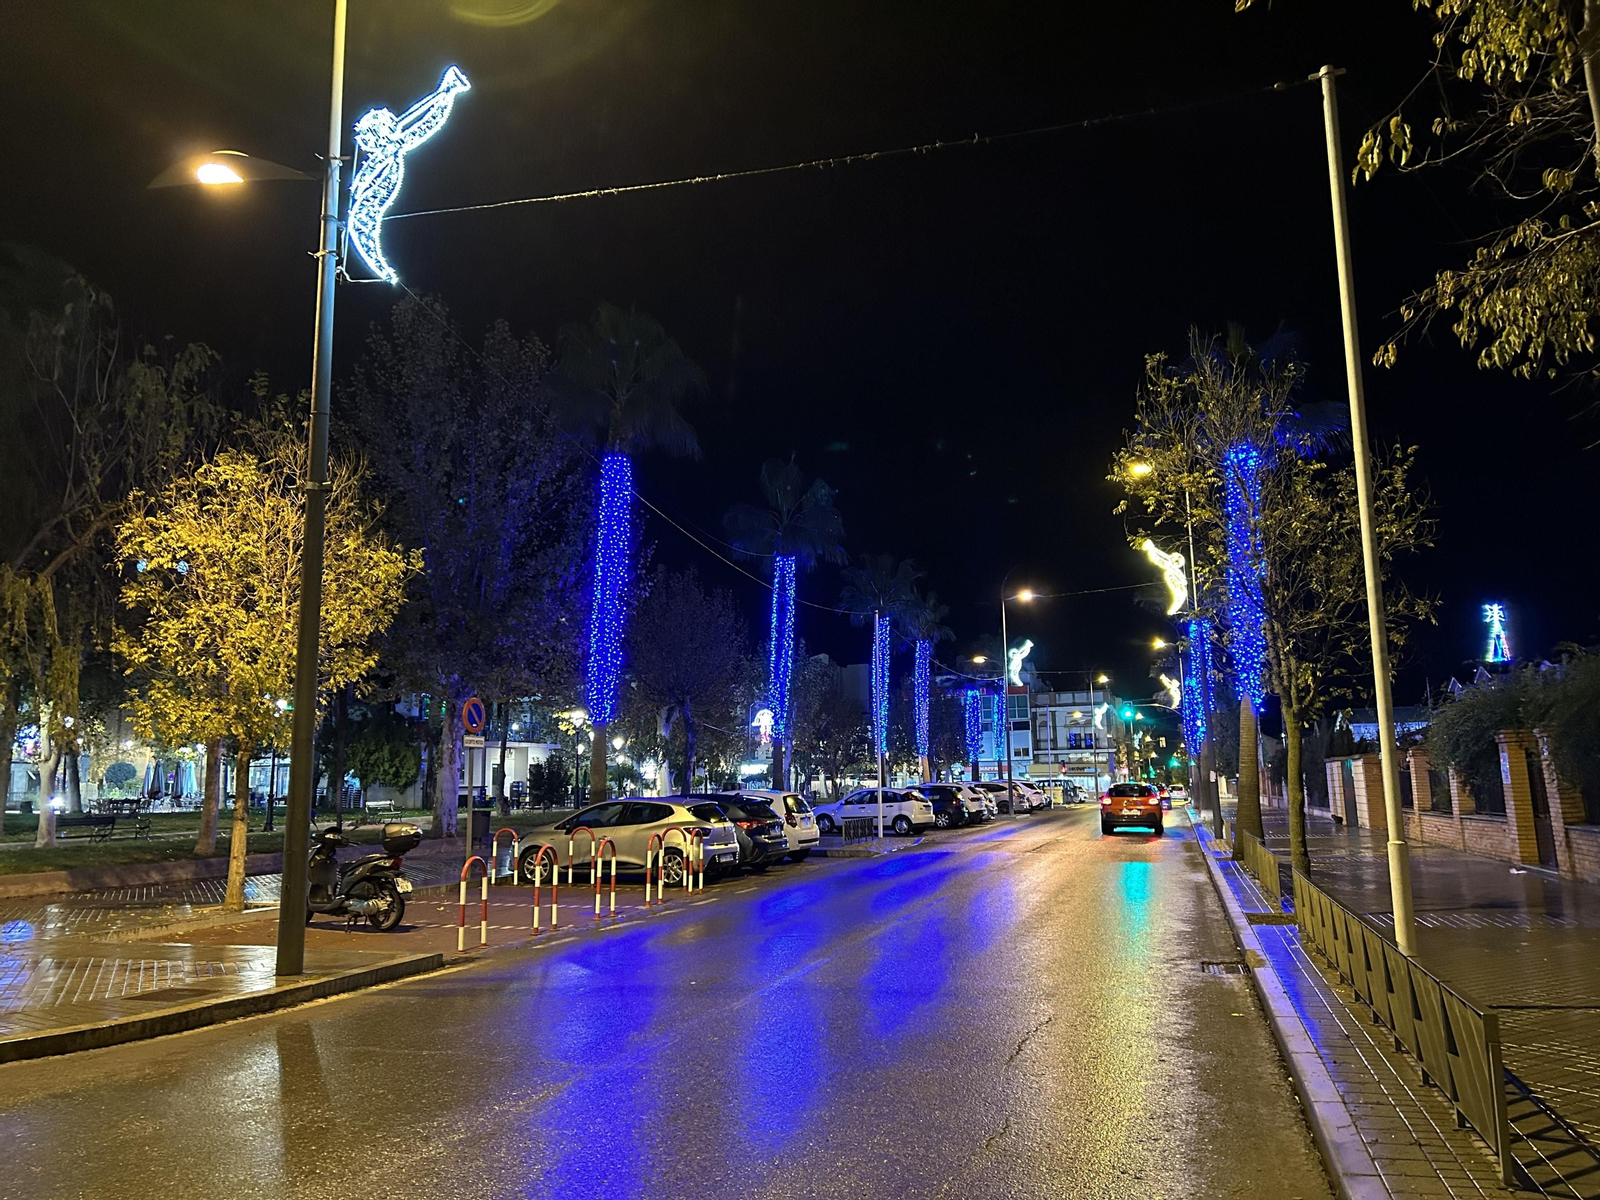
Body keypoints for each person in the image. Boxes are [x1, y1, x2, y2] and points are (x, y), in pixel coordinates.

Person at [347, 65, 471, 284]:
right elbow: (365, 175)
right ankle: (381, 269)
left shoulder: (395, 147)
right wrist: (359, 184)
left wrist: (446, 95)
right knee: (360, 225)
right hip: (366, 200)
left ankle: (382, 269)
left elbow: (428, 124)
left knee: (362, 224)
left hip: (373, 197)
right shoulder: (386, 151)